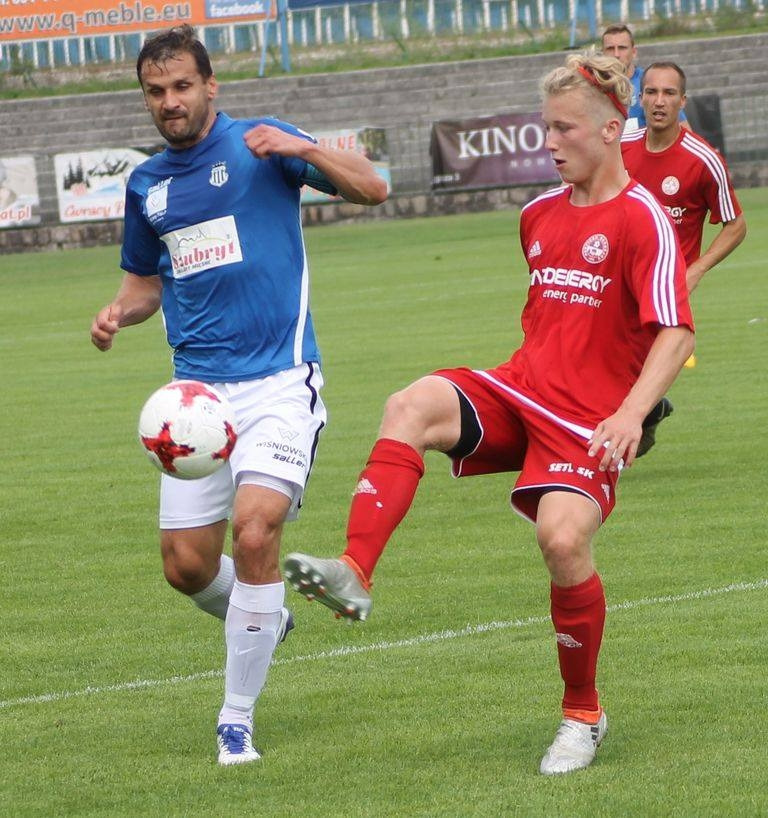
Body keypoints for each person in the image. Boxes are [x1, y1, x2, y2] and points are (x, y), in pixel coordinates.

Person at [284, 51, 695, 775]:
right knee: (410, 404)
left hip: (586, 424)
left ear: (609, 130)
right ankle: (353, 569)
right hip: (519, 391)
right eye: (546, 128)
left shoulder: (643, 220)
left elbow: (677, 331)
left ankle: (583, 715)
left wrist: (632, 414)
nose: (550, 142)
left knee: (561, 542)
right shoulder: (537, 214)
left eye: (565, 129)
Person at [90, 24, 387, 766]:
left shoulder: (262, 143)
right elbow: (145, 282)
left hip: (280, 381)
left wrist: (304, 149)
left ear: (210, 85)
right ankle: (266, 617)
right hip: (195, 401)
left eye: (182, 86)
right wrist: (118, 312)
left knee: (255, 533)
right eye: (156, 91)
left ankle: (235, 721)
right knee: (186, 567)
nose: (170, 101)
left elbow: (373, 188)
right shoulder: (147, 185)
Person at [621, 61, 746, 455]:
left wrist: (697, 269)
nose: (659, 101)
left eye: (669, 93)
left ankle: (638, 417)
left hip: (665, 285)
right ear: (641, 98)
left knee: (633, 363)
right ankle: (649, 410)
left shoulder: (702, 159)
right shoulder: (621, 149)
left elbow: (736, 225)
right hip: (618, 277)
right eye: (652, 92)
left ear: (682, 101)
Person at [601, 24, 689, 133]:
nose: (616, 54)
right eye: (610, 48)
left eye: (622, 48)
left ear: (634, 52)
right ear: (602, 53)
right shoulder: (593, 87)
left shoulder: (651, 83)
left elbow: (685, 132)